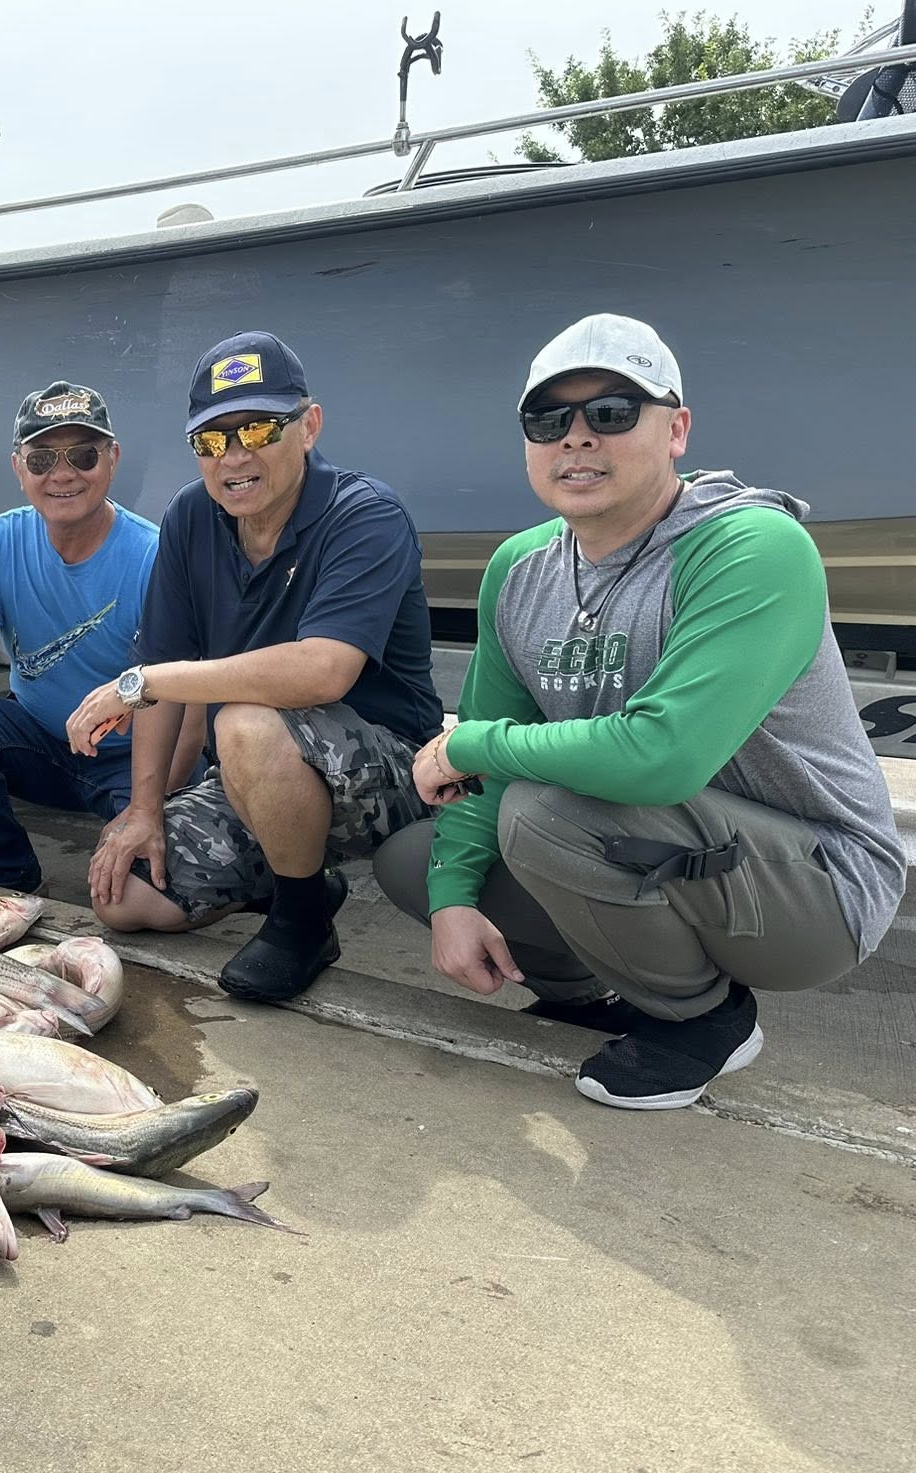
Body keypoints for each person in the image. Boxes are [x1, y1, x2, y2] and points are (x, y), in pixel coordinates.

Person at [375, 314, 906, 1110]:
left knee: (546, 812)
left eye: (613, 412)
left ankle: (702, 1019)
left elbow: (663, 757)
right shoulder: (519, 567)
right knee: (415, 861)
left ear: (677, 429)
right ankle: (589, 992)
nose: (577, 437)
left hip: (817, 888)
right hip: (662, 848)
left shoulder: (751, 546)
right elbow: (481, 781)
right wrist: (452, 899)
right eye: (548, 419)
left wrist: (472, 743)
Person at [66, 331, 442, 1002]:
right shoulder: (191, 516)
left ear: (309, 426)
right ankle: (302, 876)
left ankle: (301, 924)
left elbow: (322, 671)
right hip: (262, 773)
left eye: (259, 429)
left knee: (242, 720)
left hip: (390, 773)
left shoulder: (366, 514)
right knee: (123, 899)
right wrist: (144, 810)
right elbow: (160, 663)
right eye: (212, 439)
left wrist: (147, 683)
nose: (234, 456)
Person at [0, 380, 198, 894]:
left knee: (147, 896)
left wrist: (145, 808)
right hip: (41, 746)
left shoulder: (154, 556)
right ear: (18, 468)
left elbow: (190, 706)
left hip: (135, 765)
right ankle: (5, 881)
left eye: (83, 455)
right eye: (42, 459)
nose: (62, 474)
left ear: (113, 459)